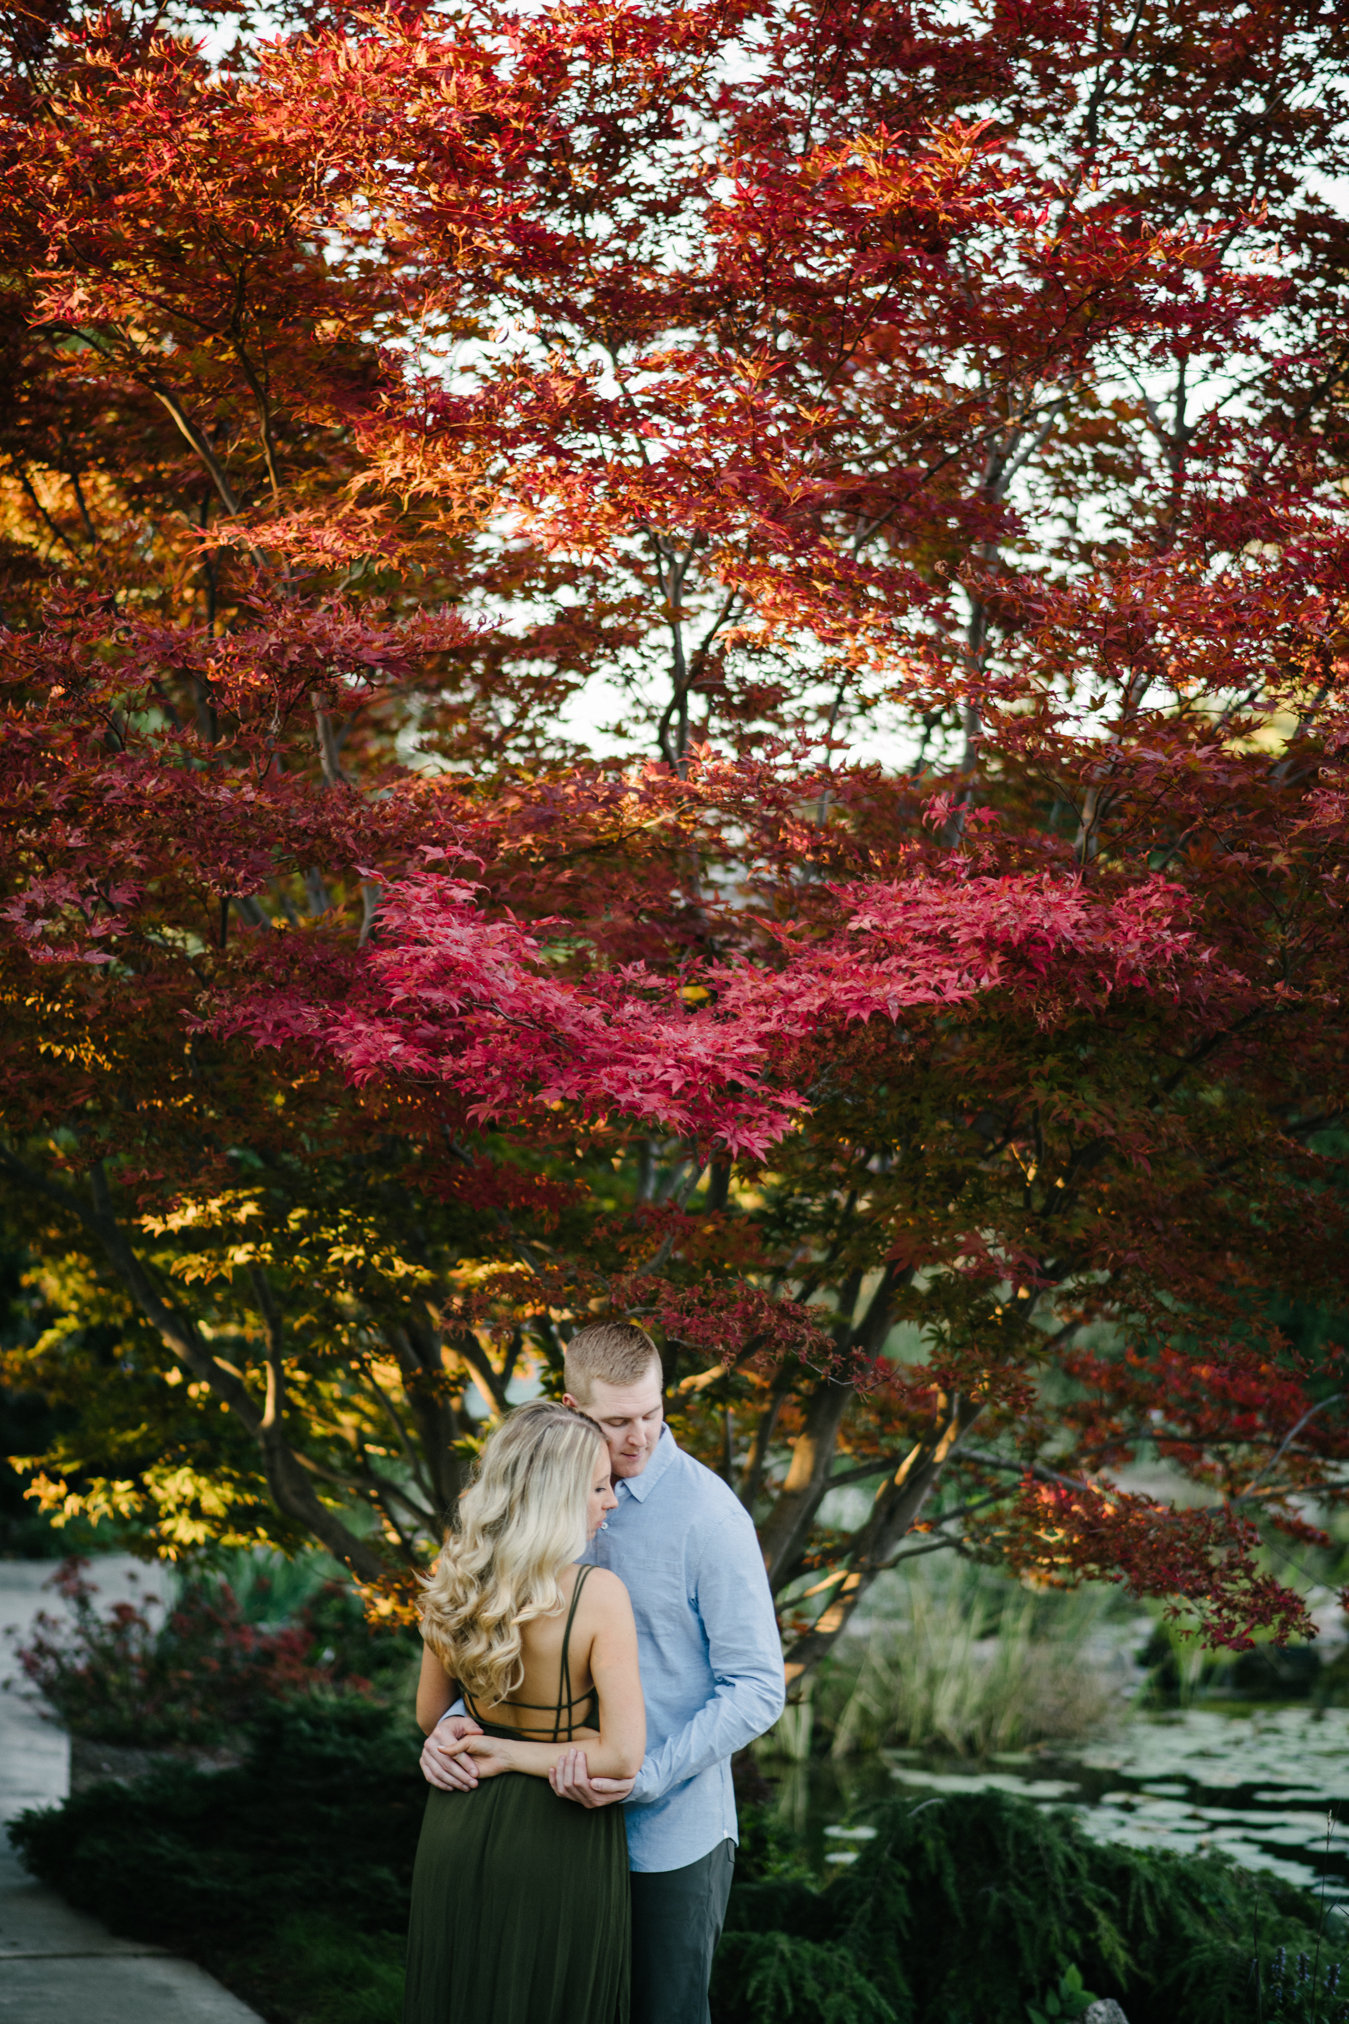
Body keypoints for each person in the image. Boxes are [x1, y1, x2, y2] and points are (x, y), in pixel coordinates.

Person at [422, 1323, 786, 2024]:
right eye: (616, 1421)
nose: (639, 1438)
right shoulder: (522, 1503)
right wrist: (453, 1730)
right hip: (535, 1823)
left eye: (652, 1414)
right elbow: (479, 1633)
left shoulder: (708, 1518)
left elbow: (757, 1686)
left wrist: (644, 1775)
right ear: (569, 1406)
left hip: (664, 1831)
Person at [406, 1397, 645, 2024]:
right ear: (556, 1498)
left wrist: (480, 1740)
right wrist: (522, 1752)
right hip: (556, 1835)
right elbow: (622, 1755)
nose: (611, 1501)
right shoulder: (599, 1596)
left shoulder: (455, 1573)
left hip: (457, 1822)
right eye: (598, 1486)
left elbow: (432, 1714)